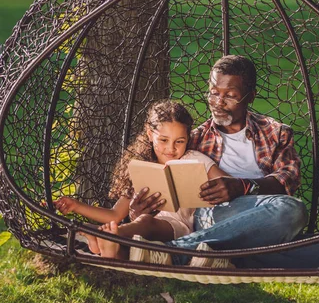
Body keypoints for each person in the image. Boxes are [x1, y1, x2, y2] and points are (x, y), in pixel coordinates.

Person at [127, 55, 309, 268]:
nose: (219, 103)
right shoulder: (194, 140)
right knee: (294, 215)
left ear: (250, 96)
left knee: (297, 214)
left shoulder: (275, 133)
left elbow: (288, 180)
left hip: (262, 214)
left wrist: (242, 186)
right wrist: (137, 213)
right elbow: (169, 191)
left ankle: (187, 251)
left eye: (230, 96)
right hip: (212, 214)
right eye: (214, 94)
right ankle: (184, 253)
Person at [54, 99, 229, 259]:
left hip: (179, 228)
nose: (171, 148)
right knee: (134, 239)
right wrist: (76, 206)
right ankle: (109, 247)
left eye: (179, 141)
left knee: (145, 222)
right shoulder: (142, 167)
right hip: (140, 234)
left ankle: (106, 236)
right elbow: (115, 214)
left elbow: (228, 184)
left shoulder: (193, 158)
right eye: (163, 140)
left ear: (188, 138)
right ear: (149, 133)